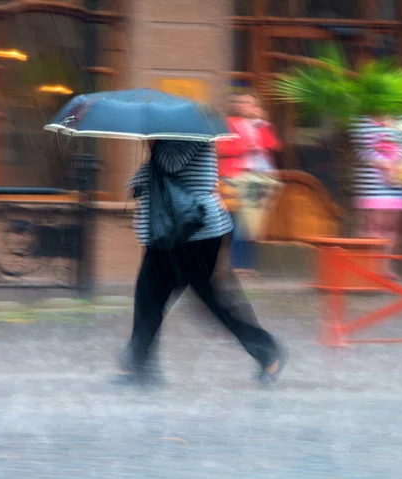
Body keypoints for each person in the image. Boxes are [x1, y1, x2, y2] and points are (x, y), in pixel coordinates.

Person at [116, 140, 287, 386]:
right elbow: (153, 177)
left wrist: (153, 145)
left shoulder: (188, 136)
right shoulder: (166, 142)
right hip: (166, 236)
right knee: (148, 298)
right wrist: (138, 181)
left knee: (215, 302)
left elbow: (170, 164)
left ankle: (268, 351)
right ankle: (138, 366)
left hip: (195, 233)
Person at [216, 92, 282, 274]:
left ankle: (248, 265)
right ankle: (238, 265)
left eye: (248, 103)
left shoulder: (261, 126)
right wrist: (245, 147)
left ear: (256, 107)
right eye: (240, 102)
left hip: (258, 179)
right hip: (234, 177)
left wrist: (264, 125)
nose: (243, 105)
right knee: (237, 221)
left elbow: (272, 145)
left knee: (252, 223)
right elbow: (220, 147)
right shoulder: (230, 123)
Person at [350, 116, 402, 277]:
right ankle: (369, 266)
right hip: (373, 184)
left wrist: (395, 162)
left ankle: (385, 267)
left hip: (397, 182)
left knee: (392, 226)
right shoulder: (363, 122)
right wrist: (383, 163)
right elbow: (362, 149)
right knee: (373, 225)